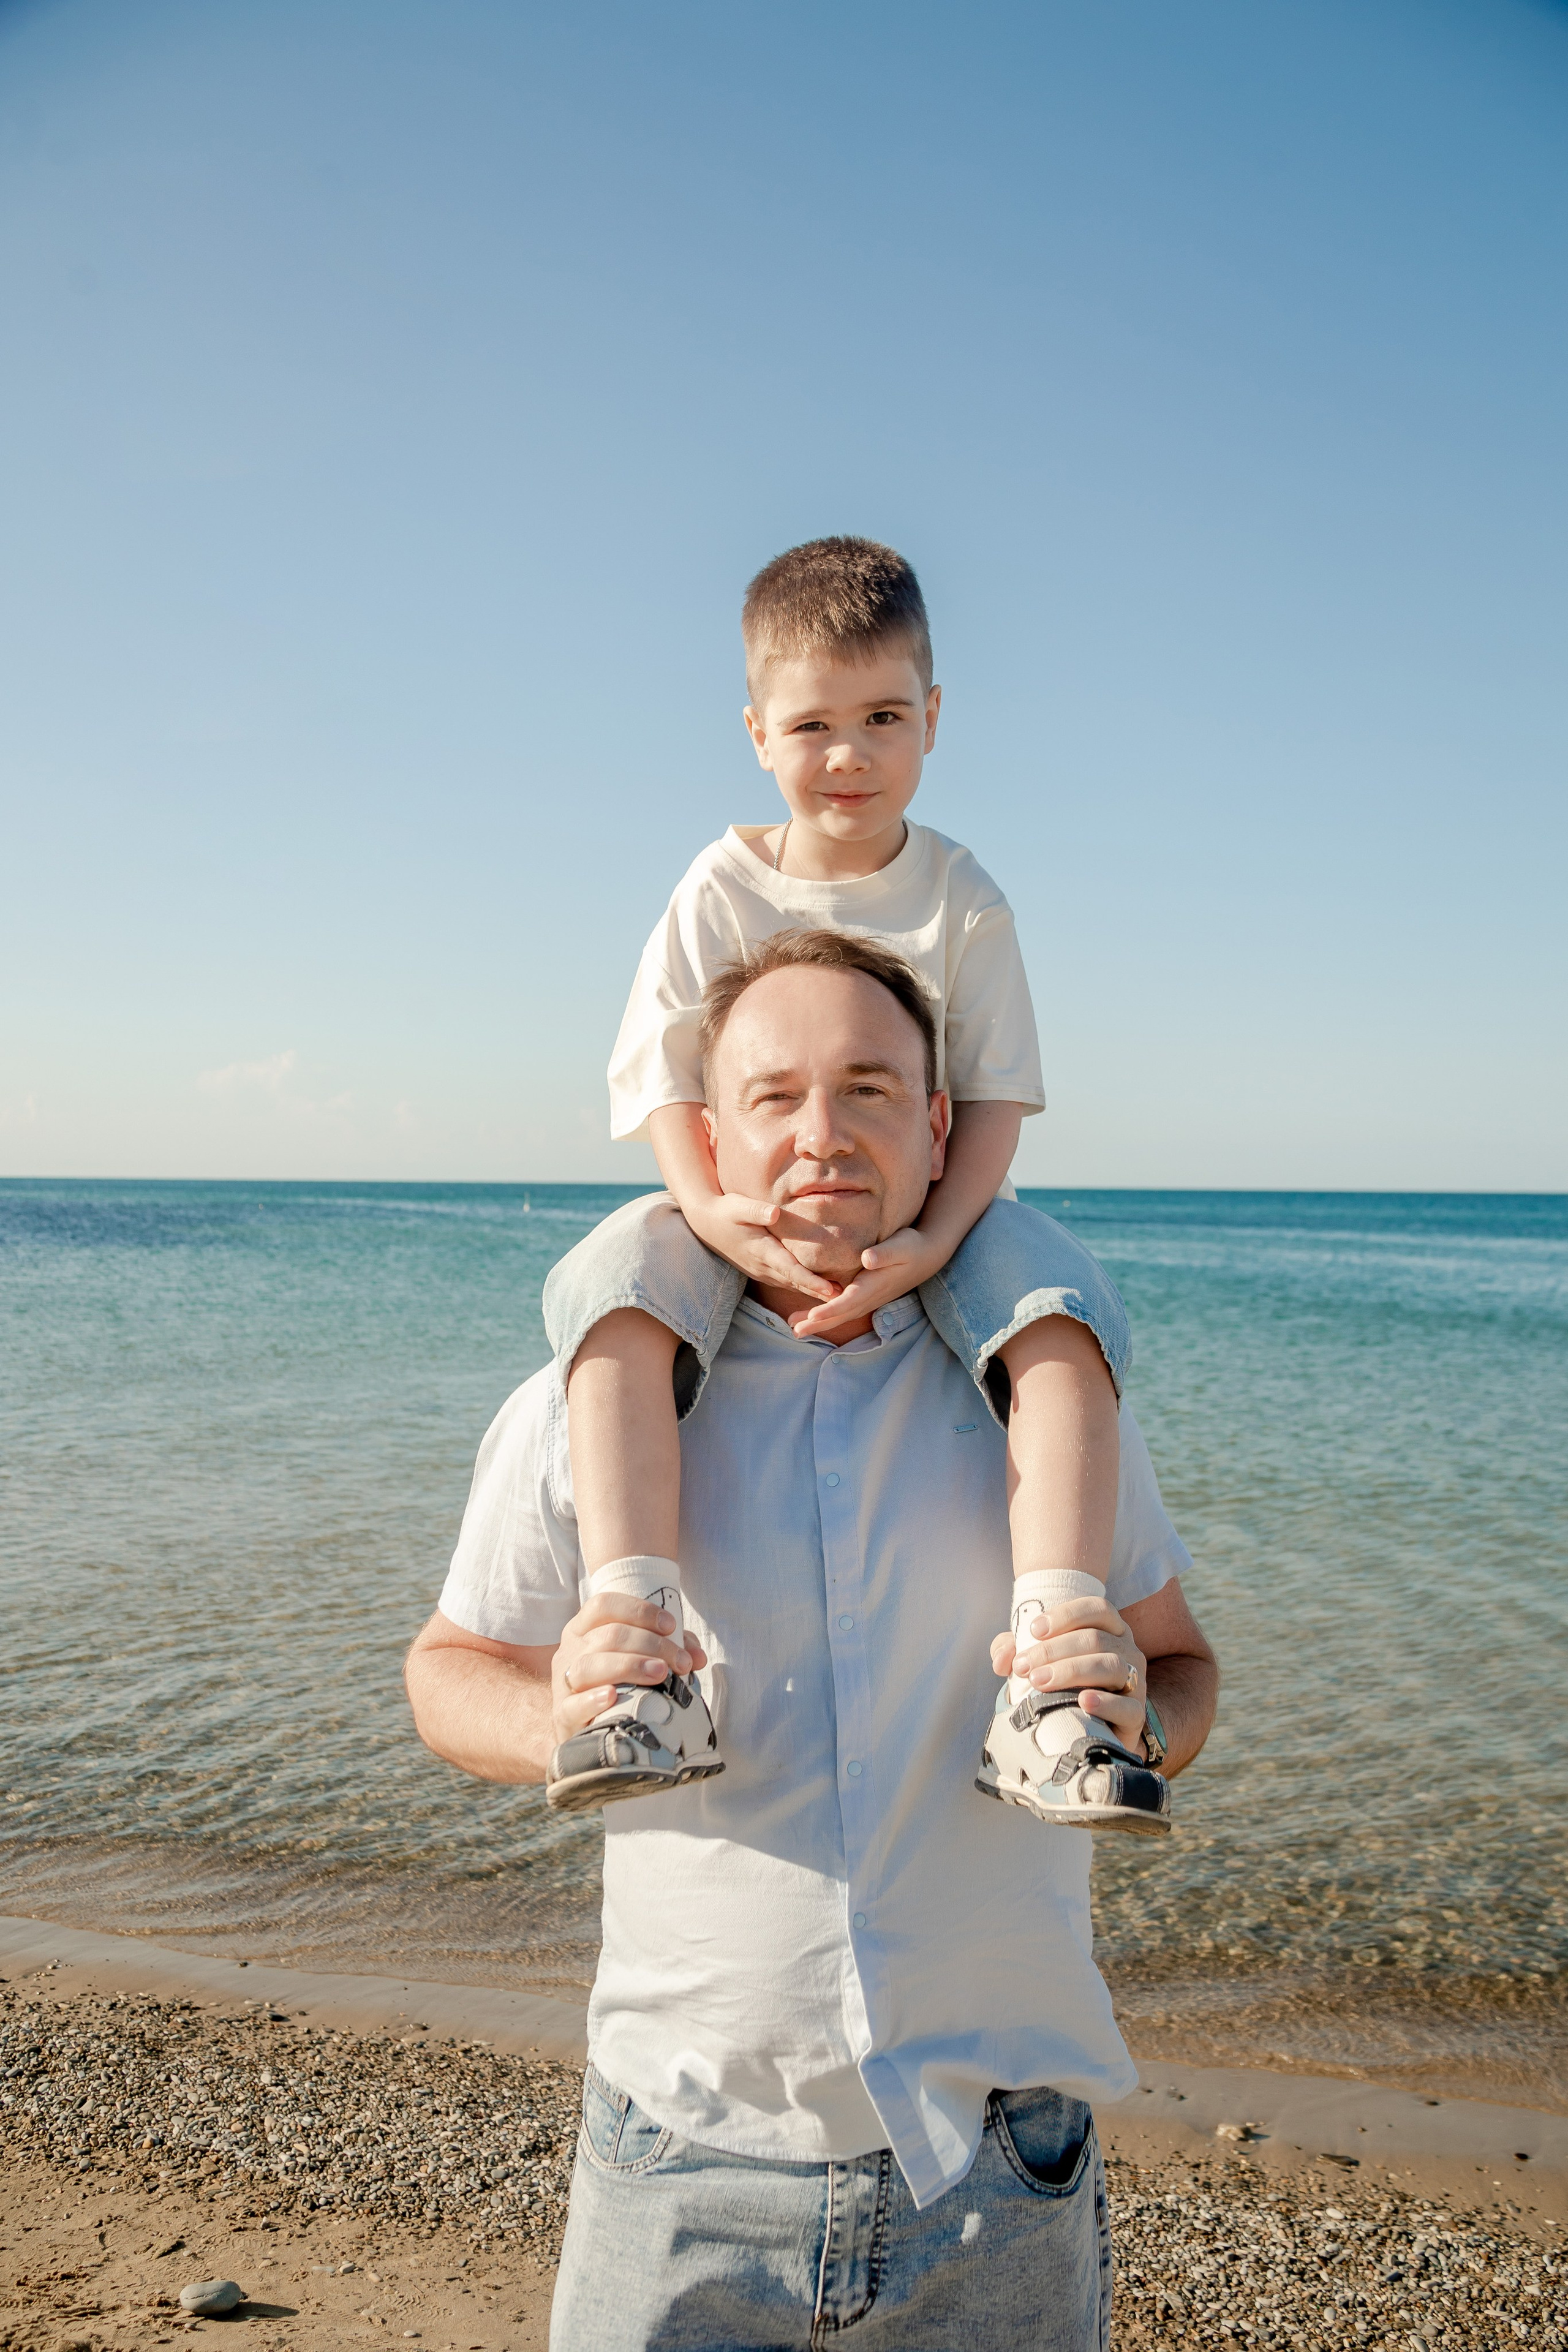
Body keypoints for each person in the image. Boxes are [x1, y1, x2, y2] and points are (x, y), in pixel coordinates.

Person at [405, 931, 1219, 2350]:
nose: (821, 1134)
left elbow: (1182, 1666)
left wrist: (1135, 1718)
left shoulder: (1049, 1404)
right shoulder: (590, 1406)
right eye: (772, 1096)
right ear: (707, 1135)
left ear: (941, 1125)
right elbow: (445, 1670)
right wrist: (555, 1720)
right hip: (681, 2147)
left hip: (1000, 2160)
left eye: (868, 1089)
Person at [543, 535, 1153, 1830]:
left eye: (882, 718)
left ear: (931, 720)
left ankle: (1049, 1675)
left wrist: (938, 1241)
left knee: (1055, 1300)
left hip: (934, 1208)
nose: (847, 755)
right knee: (608, 1280)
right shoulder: (718, 886)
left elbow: (987, 1098)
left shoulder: (959, 896)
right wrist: (706, 1212)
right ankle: (638, 1649)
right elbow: (663, 1078)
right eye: (811, 723)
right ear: (757, 731)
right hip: (732, 1202)